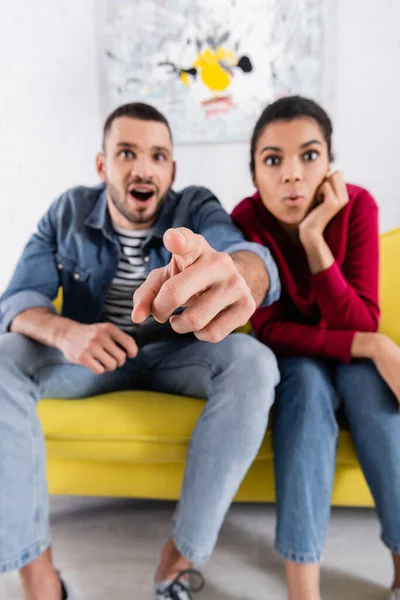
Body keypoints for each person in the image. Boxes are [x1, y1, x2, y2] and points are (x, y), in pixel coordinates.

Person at [0, 102, 281, 600]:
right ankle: (37, 575)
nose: (143, 168)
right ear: (103, 165)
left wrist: (245, 279)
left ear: (172, 169)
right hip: (92, 355)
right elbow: (18, 299)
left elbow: (243, 256)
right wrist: (66, 331)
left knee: (255, 363)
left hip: (177, 354)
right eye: (127, 153)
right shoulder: (66, 211)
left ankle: (179, 560)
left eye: (158, 156)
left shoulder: (194, 207)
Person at [232, 95, 400, 600]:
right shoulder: (245, 221)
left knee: (371, 391)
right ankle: (304, 592)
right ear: (255, 176)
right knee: (305, 387)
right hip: (299, 356)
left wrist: (313, 235)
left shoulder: (359, 207)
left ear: (329, 165)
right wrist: (372, 344)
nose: (291, 175)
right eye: (273, 160)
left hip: (348, 355)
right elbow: (269, 329)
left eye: (309, 155)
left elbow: (359, 315)